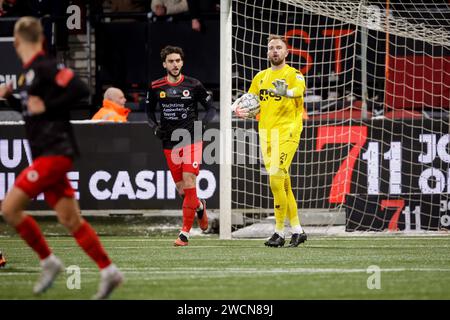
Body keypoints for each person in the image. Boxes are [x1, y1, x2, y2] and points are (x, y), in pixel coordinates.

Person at [0, 16, 123, 298]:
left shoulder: (46, 65)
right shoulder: (26, 74)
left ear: (18, 41)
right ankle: (109, 271)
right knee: (71, 220)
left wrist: (47, 104)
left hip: (55, 152)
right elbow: (35, 111)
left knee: (9, 209)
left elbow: (80, 90)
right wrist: (13, 99)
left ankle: (49, 261)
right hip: (46, 151)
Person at [232, 34, 308, 248]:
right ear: (267, 53)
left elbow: (299, 91)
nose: (274, 51)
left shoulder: (294, 74)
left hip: (288, 132)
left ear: (286, 52)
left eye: (278, 48)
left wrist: (288, 92)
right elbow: (250, 102)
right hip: (266, 134)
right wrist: (239, 108)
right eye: (271, 48)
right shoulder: (260, 77)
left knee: (275, 179)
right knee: (283, 183)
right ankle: (297, 231)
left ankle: (279, 232)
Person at [146, 45, 216, 246]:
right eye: (171, 61)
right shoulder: (156, 86)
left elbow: (211, 109)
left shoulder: (194, 85)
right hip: (169, 142)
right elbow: (149, 112)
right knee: (183, 190)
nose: (175, 64)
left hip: (191, 138)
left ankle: (184, 234)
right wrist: (154, 127)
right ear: (164, 64)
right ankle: (200, 207)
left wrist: (202, 125)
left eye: (178, 61)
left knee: (189, 180)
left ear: (182, 62)